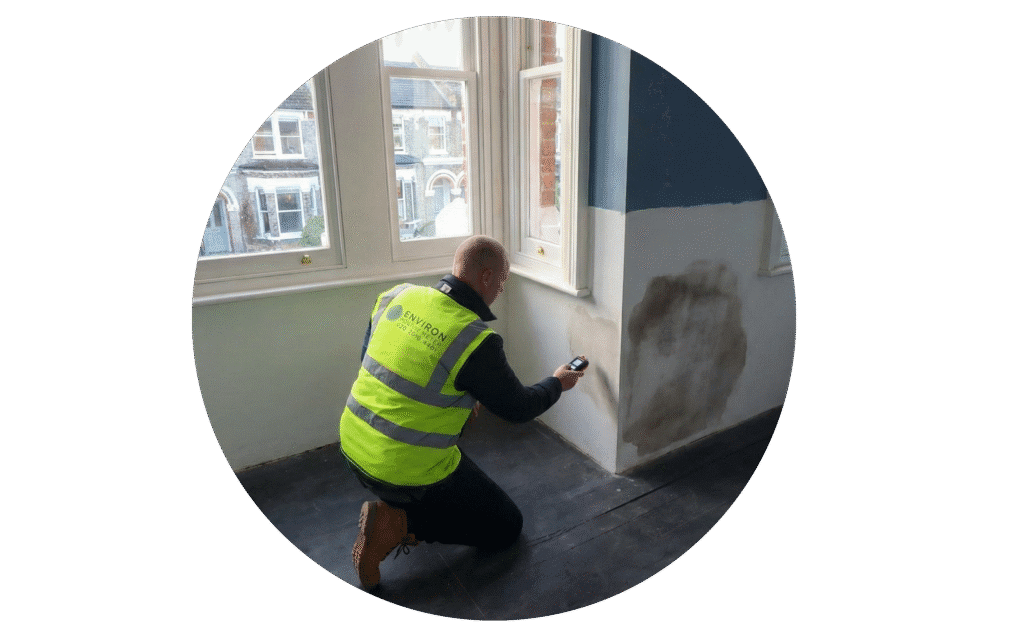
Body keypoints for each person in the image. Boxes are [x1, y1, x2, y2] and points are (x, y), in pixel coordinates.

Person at [339, 235, 586, 589]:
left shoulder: (397, 295)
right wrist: (558, 382)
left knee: (458, 448)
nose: (501, 290)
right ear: (486, 277)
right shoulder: (475, 340)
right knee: (506, 526)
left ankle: (403, 501)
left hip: (352, 444)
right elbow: (519, 408)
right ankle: (398, 524)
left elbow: (372, 360)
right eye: (502, 281)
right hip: (400, 464)